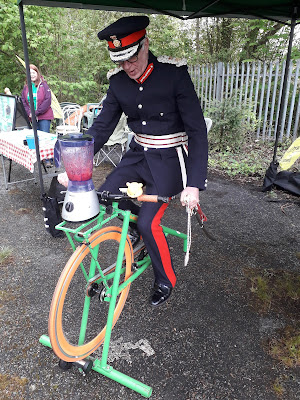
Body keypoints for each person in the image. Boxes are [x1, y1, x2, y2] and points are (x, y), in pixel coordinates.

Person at [59, 15, 208, 307]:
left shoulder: (173, 75)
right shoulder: (118, 84)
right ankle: (138, 235)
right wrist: (74, 169)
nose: (127, 67)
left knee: (150, 222)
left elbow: (196, 130)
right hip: (138, 155)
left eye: (132, 58)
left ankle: (165, 277)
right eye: (120, 61)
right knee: (104, 195)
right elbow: (100, 129)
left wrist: (194, 184)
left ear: (145, 44)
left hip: (170, 160)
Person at [21, 64, 54, 167]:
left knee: (45, 136)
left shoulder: (44, 85)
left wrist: (35, 113)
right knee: (37, 137)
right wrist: (29, 113)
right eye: (29, 73)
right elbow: (23, 101)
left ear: (37, 73)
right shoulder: (26, 87)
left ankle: (48, 159)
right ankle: (40, 157)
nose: (32, 75)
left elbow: (47, 101)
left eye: (33, 73)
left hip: (44, 116)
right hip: (32, 117)